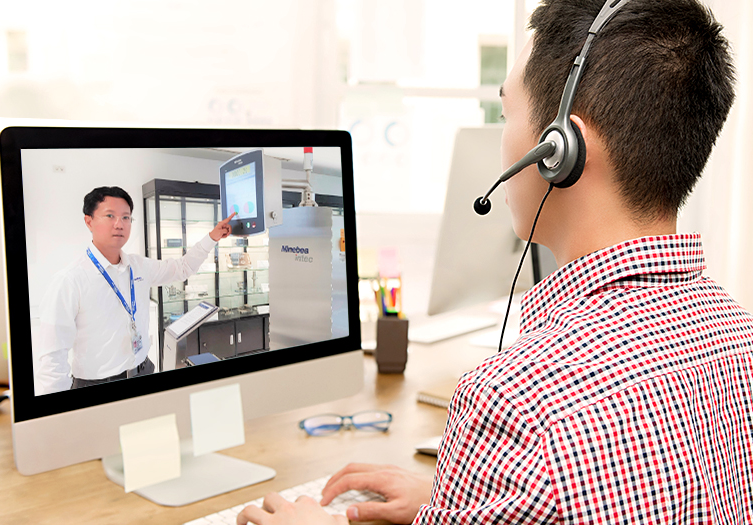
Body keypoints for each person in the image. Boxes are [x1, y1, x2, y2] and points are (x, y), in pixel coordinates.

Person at [237, 0, 753, 524]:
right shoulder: (740, 337)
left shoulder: (516, 404)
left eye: (506, 113)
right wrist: (457, 509)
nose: (501, 142)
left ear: (561, 150)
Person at [35, 186, 235, 394]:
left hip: (144, 371)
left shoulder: (138, 266)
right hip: (99, 385)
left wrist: (212, 237)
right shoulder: (69, 280)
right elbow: (52, 359)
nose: (119, 224)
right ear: (89, 221)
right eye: (110, 215)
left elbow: (182, 268)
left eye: (126, 217)